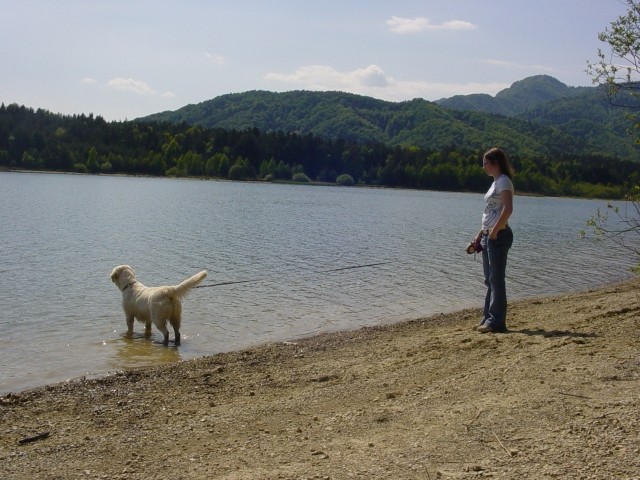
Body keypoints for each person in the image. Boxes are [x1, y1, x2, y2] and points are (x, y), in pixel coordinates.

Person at [472, 147, 514, 333]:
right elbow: (490, 213)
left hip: (499, 235)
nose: (484, 167)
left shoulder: (504, 181)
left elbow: (508, 209)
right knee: (489, 280)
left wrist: (495, 231)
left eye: (486, 163)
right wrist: (480, 235)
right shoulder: (495, 182)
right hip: (489, 235)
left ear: (496, 163)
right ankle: (488, 317)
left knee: (496, 280)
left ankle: (496, 321)